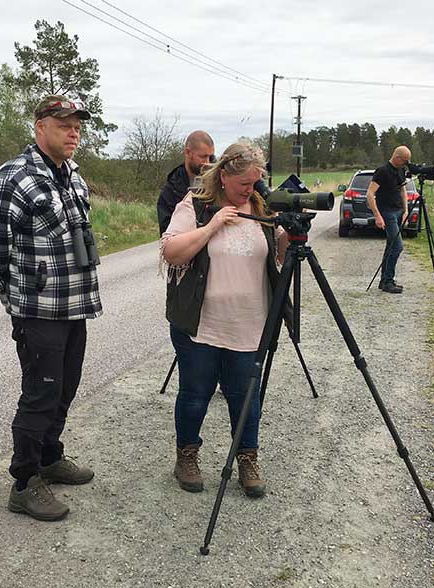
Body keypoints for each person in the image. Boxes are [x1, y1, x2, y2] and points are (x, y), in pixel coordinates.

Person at [0, 95, 102, 522]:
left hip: (74, 304)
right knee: (40, 393)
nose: (73, 131)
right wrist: (13, 299)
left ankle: (50, 456)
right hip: (38, 310)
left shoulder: (73, 176)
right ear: (39, 125)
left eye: (77, 124)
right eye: (64, 123)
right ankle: (25, 482)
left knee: (65, 387)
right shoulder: (13, 176)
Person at [160, 142, 289, 498]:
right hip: (201, 324)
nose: (251, 189)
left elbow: (277, 255)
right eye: (244, 183)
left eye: (255, 182)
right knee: (195, 394)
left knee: (245, 395)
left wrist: (287, 237)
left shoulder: (261, 206)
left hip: (250, 323)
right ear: (225, 176)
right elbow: (171, 251)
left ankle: (247, 458)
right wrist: (214, 225)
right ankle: (186, 455)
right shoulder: (198, 206)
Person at [367, 145, 412, 294]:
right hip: (387, 213)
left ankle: (385, 280)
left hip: (399, 211)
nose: (406, 164)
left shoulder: (401, 170)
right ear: (397, 157)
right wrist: (377, 215)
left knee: (390, 246)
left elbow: (402, 190)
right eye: (405, 161)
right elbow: (370, 193)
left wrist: (405, 210)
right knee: (397, 246)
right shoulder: (382, 171)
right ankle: (388, 281)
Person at [157, 130, 215, 235]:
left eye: (210, 157)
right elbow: (167, 235)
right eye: (203, 157)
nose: (208, 163)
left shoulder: (221, 178)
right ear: (188, 153)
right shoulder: (171, 191)